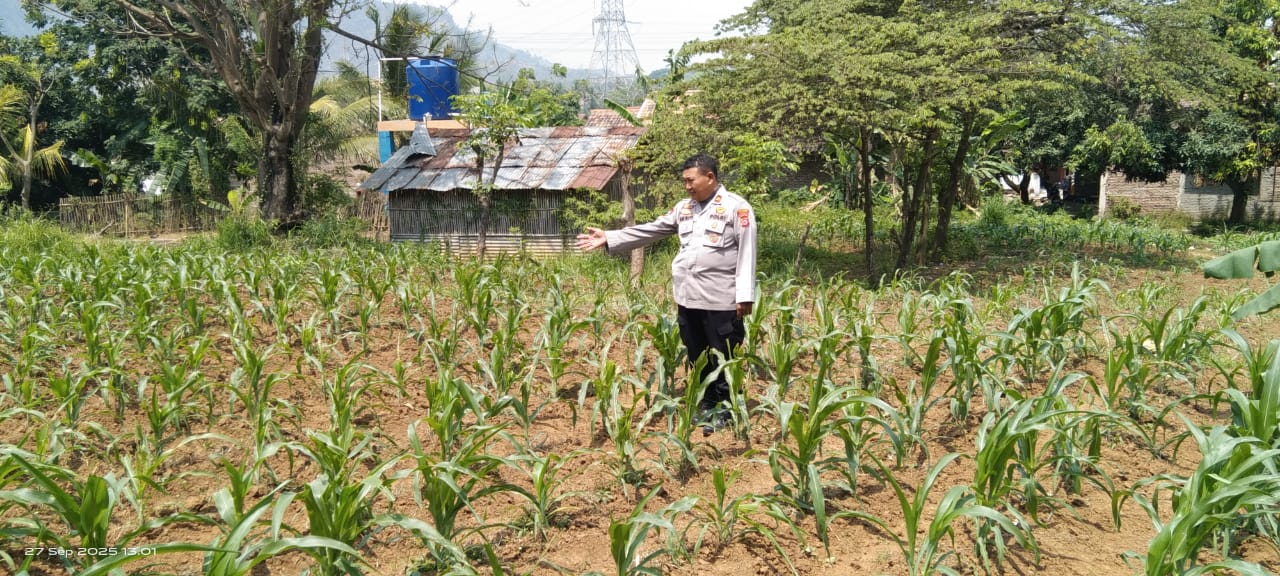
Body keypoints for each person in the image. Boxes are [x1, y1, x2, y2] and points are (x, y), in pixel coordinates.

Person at [575, 153, 757, 435]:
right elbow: (653, 229)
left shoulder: (737, 208)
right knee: (697, 354)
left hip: (721, 300)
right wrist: (610, 237)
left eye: (690, 180)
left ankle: (725, 409)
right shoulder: (685, 208)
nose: (687, 186)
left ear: (709, 177)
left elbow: (747, 252)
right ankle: (706, 403)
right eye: (684, 181)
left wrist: (745, 296)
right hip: (688, 298)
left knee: (723, 355)